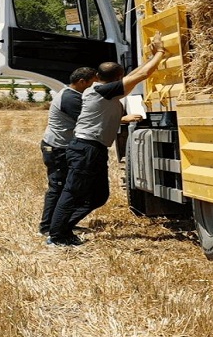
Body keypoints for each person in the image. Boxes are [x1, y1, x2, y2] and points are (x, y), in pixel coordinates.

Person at [46, 33, 166, 246]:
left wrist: (149, 59)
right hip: (85, 148)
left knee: (98, 197)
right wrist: (159, 52)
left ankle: (62, 227)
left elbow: (136, 75)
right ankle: (57, 235)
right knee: (73, 192)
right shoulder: (102, 91)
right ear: (117, 78)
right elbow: (143, 75)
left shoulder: (101, 88)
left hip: (93, 148)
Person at [38, 67, 97, 236]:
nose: (94, 87)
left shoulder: (71, 95)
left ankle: (61, 222)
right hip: (57, 148)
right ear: (82, 82)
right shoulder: (70, 98)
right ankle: (47, 227)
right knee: (57, 187)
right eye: (92, 84)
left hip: (62, 147)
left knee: (66, 187)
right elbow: (88, 120)